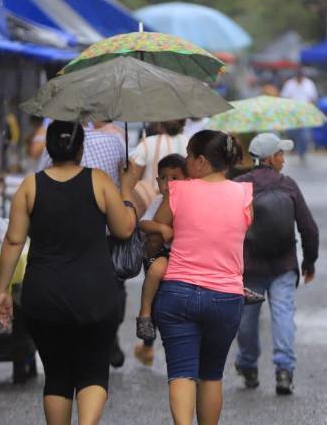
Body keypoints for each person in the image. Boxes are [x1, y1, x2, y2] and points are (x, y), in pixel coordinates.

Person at [0, 120, 137, 425]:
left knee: (57, 375)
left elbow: (14, 240)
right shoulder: (99, 181)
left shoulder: (30, 186)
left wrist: (3, 290)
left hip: (43, 294)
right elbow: (124, 228)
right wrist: (126, 189)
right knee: (94, 370)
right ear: (81, 149)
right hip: (95, 293)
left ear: (48, 149)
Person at [150, 131, 252, 425]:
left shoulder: (178, 191)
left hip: (178, 291)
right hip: (225, 296)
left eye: (189, 156)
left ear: (202, 161)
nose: (185, 162)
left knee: (181, 371)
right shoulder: (244, 194)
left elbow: (157, 231)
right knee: (211, 375)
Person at [233, 133, 319, 395]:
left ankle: (247, 365)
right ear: (269, 158)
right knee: (283, 315)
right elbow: (309, 228)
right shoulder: (289, 185)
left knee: (246, 319)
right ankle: (284, 371)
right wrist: (310, 261)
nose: (283, 159)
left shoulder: (238, 186)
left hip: (250, 267)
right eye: (280, 154)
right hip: (283, 264)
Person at [37, 121, 129, 367]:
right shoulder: (116, 141)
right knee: (114, 286)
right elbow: (124, 178)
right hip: (107, 231)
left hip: (65, 233)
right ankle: (107, 334)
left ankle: (77, 339)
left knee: (70, 282)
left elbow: (41, 181)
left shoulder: (52, 147)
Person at [134, 154, 189, 366]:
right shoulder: (159, 201)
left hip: (185, 253)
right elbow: (143, 224)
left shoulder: (188, 200)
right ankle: (145, 313)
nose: (168, 184)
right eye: (163, 179)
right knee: (156, 269)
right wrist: (161, 227)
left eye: (174, 178)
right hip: (165, 253)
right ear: (157, 181)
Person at [128, 120, 189, 214]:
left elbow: (132, 180)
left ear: (159, 123)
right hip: (182, 204)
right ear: (183, 123)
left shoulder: (147, 143)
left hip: (149, 203)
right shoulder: (188, 143)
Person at [280, 69, 318, 161]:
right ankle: (296, 149)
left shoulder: (309, 84)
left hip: (305, 113)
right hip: (292, 113)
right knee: (292, 133)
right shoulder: (289, 84)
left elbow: (314, 98)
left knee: (305, 134)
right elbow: (284, 97)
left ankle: (302, 152)